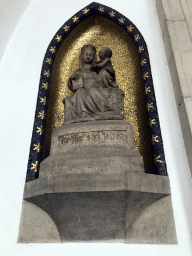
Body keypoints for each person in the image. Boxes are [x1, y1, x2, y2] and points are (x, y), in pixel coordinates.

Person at [63, 44, 124, 124]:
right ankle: (83, 114)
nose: (88, 57)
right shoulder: (78, 71)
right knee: (79, 92)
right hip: (83, 91)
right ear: (82, 57)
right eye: (86, 55)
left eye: (91, 55)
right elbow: (72, 85)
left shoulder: (97, 70)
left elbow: (105, 79)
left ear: (94, 57)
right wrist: (72, 79)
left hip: (96, 89)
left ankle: (104, 110)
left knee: (93, 91)